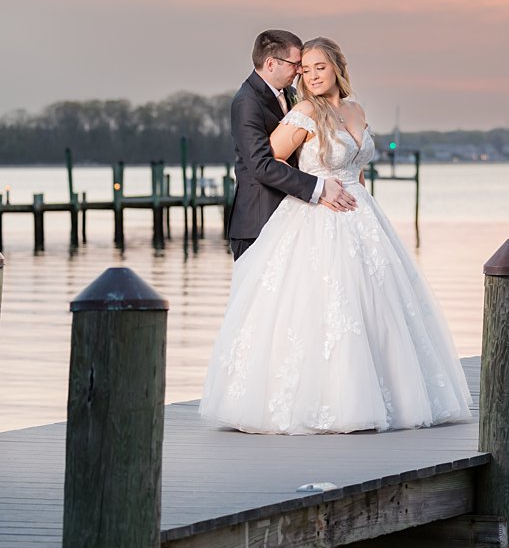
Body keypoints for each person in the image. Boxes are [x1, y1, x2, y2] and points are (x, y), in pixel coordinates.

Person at [201, 37, 473, 434]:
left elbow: (358, 166)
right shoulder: (304, 111)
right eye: (304, 69)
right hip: (318, 215)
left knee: (379, 306)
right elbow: (266, 160)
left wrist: (362, 200)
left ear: (337, 68)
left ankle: (391, 395)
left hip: (361, 215)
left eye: (318, 68)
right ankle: (329, 400)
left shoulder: (355, 109)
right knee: (328, 305)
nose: (309, 76)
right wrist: (318, 187)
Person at [228, 30, 356, 262]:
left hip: (296, 217)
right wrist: (321, 187)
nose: (300, 72)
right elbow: (261, 165)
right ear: (270, 64)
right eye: (297, 65)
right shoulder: (246, 102)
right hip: (258, 221)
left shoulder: (292, 94)